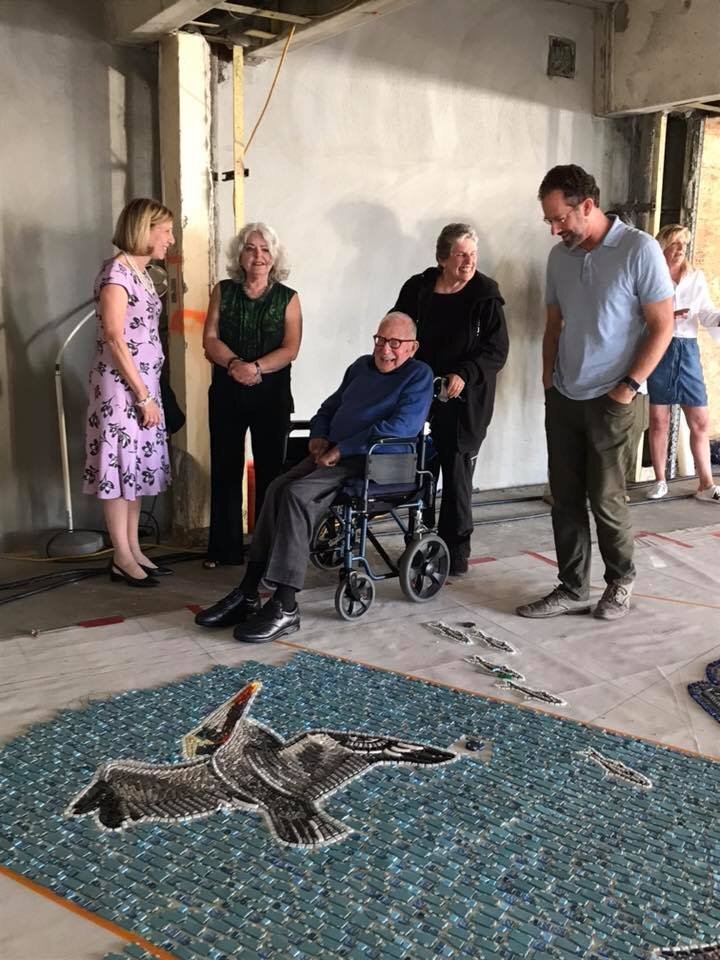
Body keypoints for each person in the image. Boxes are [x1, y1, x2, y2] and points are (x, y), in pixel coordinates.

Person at [194, 312, 433, 642]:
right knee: (277, 487)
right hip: (335, 452)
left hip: (375, 464)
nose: (386, 350)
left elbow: (401, 428)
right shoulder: (360, 367)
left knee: (297, 495)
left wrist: (343, 448)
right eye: (380, 340)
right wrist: (320, 435)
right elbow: (330, 407)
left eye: (395, 343)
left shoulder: (418, 375)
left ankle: (286, 605)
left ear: (412, 347)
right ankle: (249, 591)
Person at [517, 164, 674, 621]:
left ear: (587, 206)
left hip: (614, 398)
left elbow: (663, 326)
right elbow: (552, 326)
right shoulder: (558, 258)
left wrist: (628, 387)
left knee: (605, 498)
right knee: (564, 497)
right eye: (548, 220)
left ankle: (620, 581)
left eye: (560, 218)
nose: (553, 229)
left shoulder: (638, 249)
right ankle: (571, 587)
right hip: (565, 395)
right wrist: (549, 382)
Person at [392, 223, 508, 576]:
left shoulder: (485, 295)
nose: (468, 261)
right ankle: (420, 540)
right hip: (421, 390)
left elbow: (496, 350)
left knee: (456, 471)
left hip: (464, 398)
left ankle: (455, 552)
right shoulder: (418, 288)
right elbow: (398, 326)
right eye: (461, 254)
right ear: (442, 257)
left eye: (473, 255)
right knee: (419, 467)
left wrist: (464, 374)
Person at [82, 198, 175, 587]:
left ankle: (132, 549)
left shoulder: (141, 273)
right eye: (165, 231)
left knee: (133, 469)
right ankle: (121, 556)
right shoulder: (116, 273)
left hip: (141, 387)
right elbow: (116, 337)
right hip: (122, 391)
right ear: (144, 230)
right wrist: (142, 395)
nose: (170, 239)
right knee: (119, 467)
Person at [202, 222, 303, 568]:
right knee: (225, 469)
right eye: (250, 249)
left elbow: (291, 348)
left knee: (271, 472)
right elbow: (210, 338)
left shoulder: (288, 298)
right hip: (227, 392)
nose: (257, 256)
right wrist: (234, 364)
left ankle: (267, 550)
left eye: (264, 250)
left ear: (274, 257)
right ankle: (224, 550)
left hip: (271, 396)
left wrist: (256, 368)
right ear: (239, 255)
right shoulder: (223, 290)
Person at [646, 224, 720, 504]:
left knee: (699, 420)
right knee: (658, 420)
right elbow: (637, 312)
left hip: (687, 349)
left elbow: (706, 312)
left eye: (683, 245)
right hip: (659, 347)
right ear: (661, 246)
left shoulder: (695, 277)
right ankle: (660, 480)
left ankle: (706, 483)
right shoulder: (651, 275)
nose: (678, 250)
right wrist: (668, 315)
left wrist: (719, 318)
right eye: (673, 244)